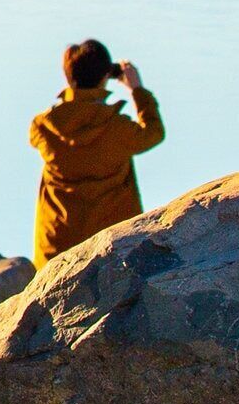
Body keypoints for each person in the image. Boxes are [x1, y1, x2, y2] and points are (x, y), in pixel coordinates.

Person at [31, 38, 165, 262]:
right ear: (106, 76)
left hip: (56, 250)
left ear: (67, 75)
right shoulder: (117, 128)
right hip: (112, 247)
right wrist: (137, 91)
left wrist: (71, 95)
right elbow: (153, 133)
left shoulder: (44, 126)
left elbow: (60, 119)